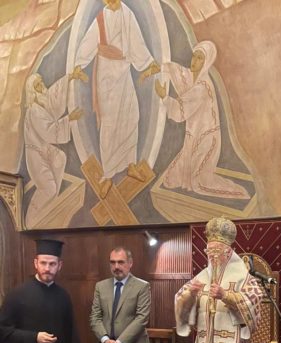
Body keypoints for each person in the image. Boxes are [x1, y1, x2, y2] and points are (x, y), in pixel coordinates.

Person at [75, 0, 160, 198]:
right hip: (106, 75)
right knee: (109, 124)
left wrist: (148, 63)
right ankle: (108, 175)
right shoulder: (100, 18)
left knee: (131, 116)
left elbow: (136, 41)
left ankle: (130, 164)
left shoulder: (127, 14)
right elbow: (88, 42)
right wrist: (79, 64)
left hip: (124, 71)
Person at [154, 41, 250, 200]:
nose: (194, 61)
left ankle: (239, 194)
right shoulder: (195, 77)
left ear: (206, 62)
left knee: (198, 183)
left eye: (200, 58)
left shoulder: (203, 87)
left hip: (206, 140)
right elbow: (181, 72)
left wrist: (164, 97)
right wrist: (161, 68)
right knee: (171, 180)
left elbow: (181, 110)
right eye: (194, 56)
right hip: (192, 137)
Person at [24, 69, 85, 229]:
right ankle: (30, 220)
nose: (42, 86)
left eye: (41, 82)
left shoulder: (42, 103)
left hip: (44, 150)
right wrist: (69, 119)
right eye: (38, 85)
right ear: (33, 90)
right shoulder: (34, 110)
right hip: (36, 155)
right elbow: (49, 131)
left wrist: (70, 77)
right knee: (48, 188)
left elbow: (54, 95)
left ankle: (50, 204)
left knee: (60, 158)